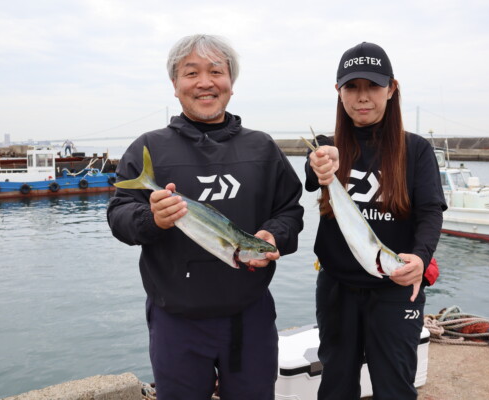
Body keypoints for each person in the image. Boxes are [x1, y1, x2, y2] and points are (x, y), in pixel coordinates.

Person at [107, 34, 303, 400]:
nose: (205, 82)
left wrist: (275, 235)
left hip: (251, 317)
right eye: (191, 72)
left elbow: (290, 209)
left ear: (231, 82)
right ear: (175, 85)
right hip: (176, 321)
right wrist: (153, 219)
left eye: (216, 71)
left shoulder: (262, 147)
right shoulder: (148, 146)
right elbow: (119, 215)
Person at [305, 42, 447, 400]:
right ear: (339, 92)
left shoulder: (416, 150)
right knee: (336, 383)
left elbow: (430, 211)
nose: (362, 97)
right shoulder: (328, 147)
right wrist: (320, 162)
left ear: (392, 88)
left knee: (395, 386)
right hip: (337, 287)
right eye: (352, 87)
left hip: (396, 286)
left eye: (373, 86)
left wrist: (421, 257)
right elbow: (314, 173)